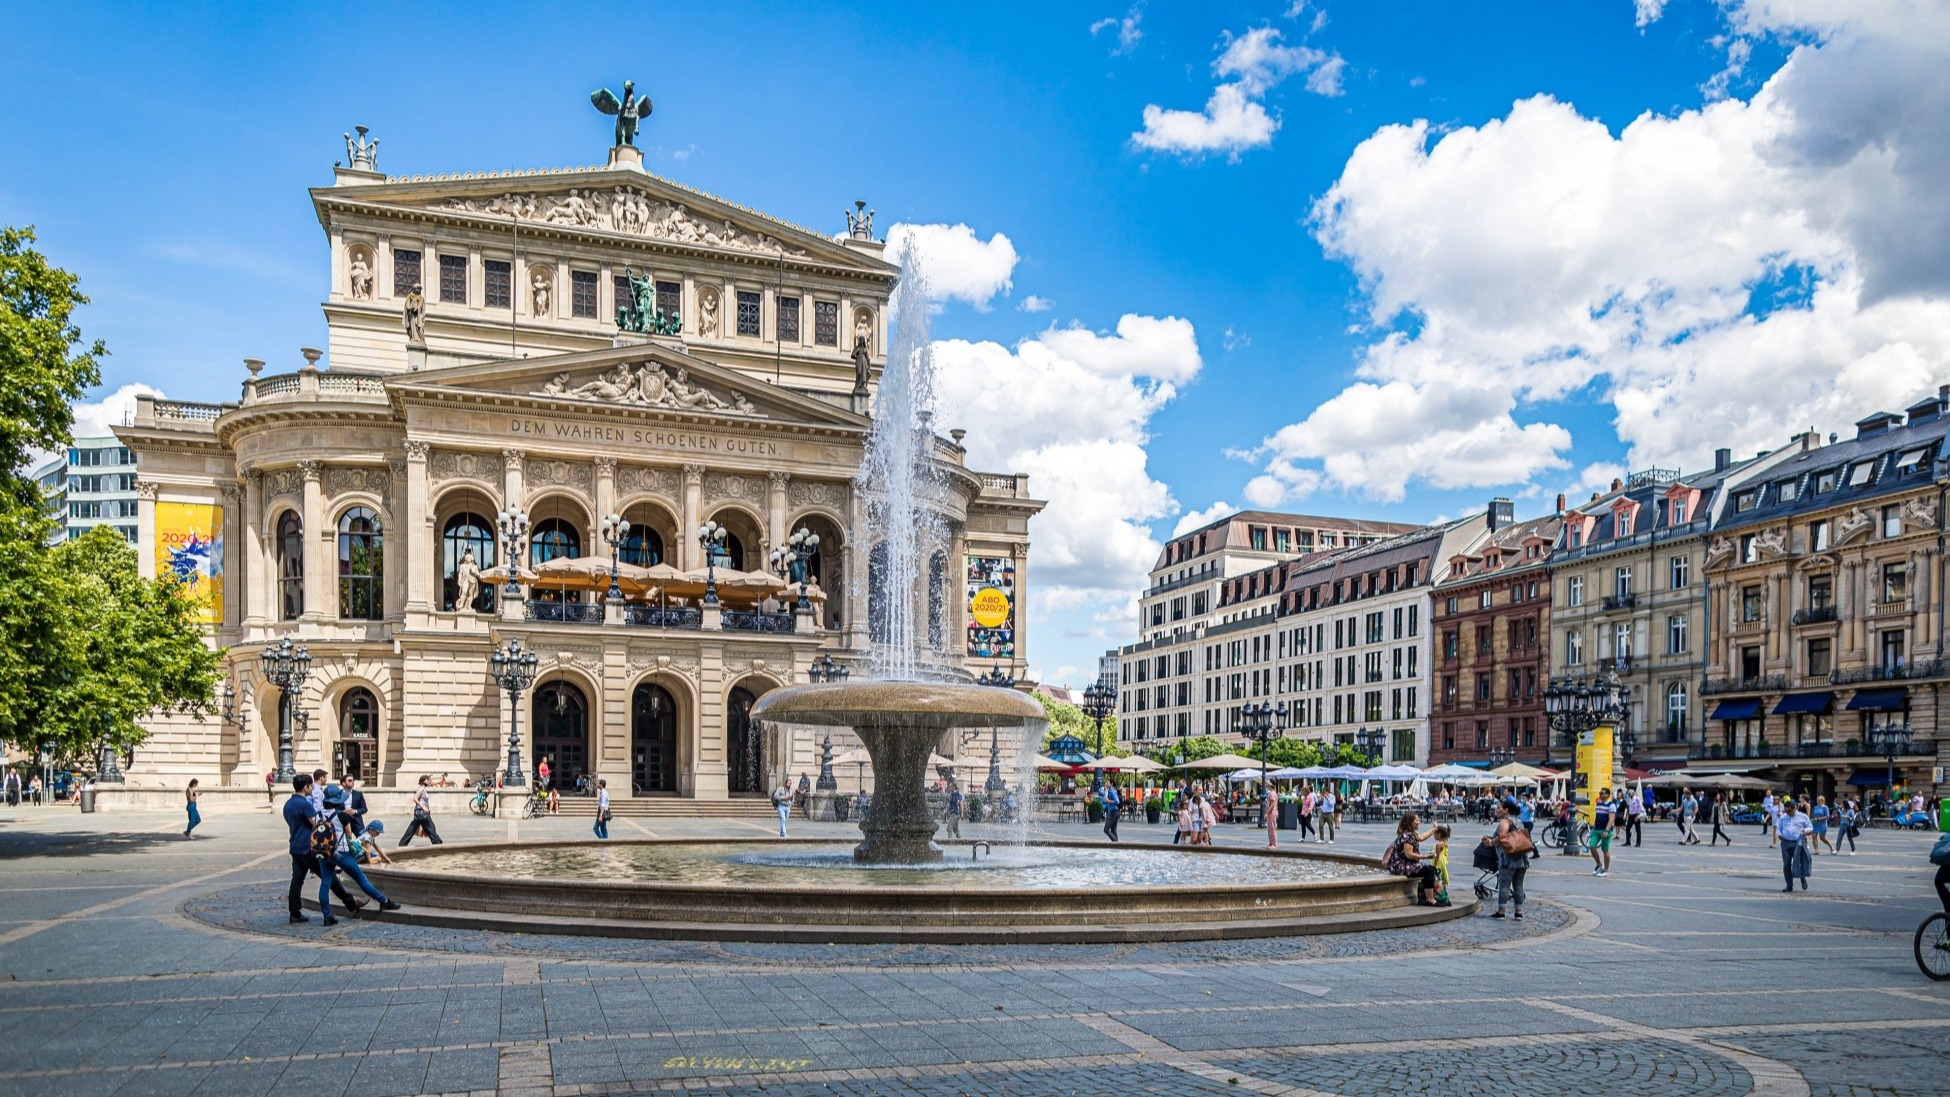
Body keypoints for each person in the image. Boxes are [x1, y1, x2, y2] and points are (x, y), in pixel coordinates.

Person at [284, 774, 361, 925]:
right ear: (305, 787)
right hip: (310, 848)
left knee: (297, 880)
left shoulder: (288, 804)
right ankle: (349, 905)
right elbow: (317, 825)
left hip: (295, 846)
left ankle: (294, 912)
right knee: (329, 878)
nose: (312, 788)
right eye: (311, 786)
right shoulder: (304, 804)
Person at [321, 784, 399, 916]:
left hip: (324, 853)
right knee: (361, 879)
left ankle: (327, 916)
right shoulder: (342, 816)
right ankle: (384, 901)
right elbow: (349, 836)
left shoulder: (318, 814)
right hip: (341, 853)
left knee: (325, 884)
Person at [1487, 798, 1530, 919]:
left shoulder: (1505, 822)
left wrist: (1491, 842)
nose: (1496, 809)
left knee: (1504, 884)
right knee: (1518, 885)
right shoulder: (1518, 821)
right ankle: (1518, 912)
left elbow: (1502, 836)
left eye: (1499, 807)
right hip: (1522, 858)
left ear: (1506, 810)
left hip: (1508, 859)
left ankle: (1501, 912)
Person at [1385, 814, 1441, 906]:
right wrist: (1425, 856)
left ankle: (1426, 895)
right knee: (1429, 871)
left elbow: (1422, 837)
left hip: (1403, 864)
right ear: (1411, 823)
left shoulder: (1410, 834)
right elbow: (1409, 855)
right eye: (1417, 820)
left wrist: (1435, 829)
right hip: (1402, 866)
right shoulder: (1407, 836)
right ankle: (1429, 899)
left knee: (1430, 869)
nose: (1419, 822)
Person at [1777, 798, 1812, 892]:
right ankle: (1789, 885)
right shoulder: (1783, 817)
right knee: (1786, 864)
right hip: (1785, 842)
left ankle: (1802, 878)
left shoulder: (1802, 816)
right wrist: (1779, 835)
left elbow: (1810, 827)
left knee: (1798, 863)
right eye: (1786, 810)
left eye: (1789, 811)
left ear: (1794, 808)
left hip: (1798, 842)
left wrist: (1806, 830)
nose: (1787, 812)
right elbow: (1778, 828)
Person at [399, 775, 442, 846]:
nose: (430, 782)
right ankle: (437, 842)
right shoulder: (421, 789)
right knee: (430, 827)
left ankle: (402, 844)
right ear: (424, 781)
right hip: (422, 812)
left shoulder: (423, 789)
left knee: (412, 829)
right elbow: (415, 798)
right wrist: (424, 807)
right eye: (428, 780)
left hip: (421, 812)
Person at [1589, 788, 1616, 877]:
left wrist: (1607, 830)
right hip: (1596, 829)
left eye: (1602, 793)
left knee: (1605, 850)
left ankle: (1605, 869)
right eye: (1600, 792)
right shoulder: (1598, 803)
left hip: (1605, 830)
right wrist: (1593, 827)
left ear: (1607, 795)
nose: (1600, 794)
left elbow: (1611, 818)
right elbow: (1597, 816)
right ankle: (1599, 865)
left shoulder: (1611, 805)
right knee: (1592, 846)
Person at [1430, 824, 1453, 906]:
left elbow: (1437, 856)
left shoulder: (1438, 845)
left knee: (1438, 881)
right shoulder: (1444, 841)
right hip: (1443, 863)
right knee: (1441, 881)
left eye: (1434, 834)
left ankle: (1442, 899)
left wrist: (1434, 865)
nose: (1433, 836)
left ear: (1439, 834)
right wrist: (1435, 826)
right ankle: (1445, 898)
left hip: (1439, 863)